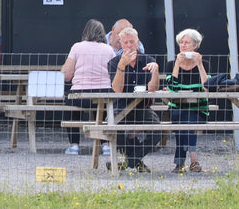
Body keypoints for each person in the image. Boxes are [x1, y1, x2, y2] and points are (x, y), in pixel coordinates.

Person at [107, 25, 161, 172]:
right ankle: (136, 161)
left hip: (142, 107)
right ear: (121, 44)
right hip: (121, 107)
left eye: (132, 42)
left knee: (158, 130)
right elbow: (117, 89)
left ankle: (130, 161)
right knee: (113, 129)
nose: (129, 45)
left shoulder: (148, 60)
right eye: (126, 43)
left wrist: (155, 72)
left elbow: (153, 89)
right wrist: (122, 66)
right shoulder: (114, 62)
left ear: (138, 42)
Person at [61, 18, 114, 155]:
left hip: (79, 94)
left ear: (86, 32)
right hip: (104, 93)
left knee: (71, 108)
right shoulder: (109, 50)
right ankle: (106, 145)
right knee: (102, 109)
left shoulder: (77, 47)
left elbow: (66, 75)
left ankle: (74, 145)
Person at [168, 28, 209, 173]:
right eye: (181, 42)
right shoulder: (172, 64)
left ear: (195, 46)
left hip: (198, 108)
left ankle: (180, 164)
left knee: (186, 122)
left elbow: (207, 88)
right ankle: (194, 160)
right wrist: (177, 65)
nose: (183, 45)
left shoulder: (204, 64)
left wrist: (199, 64)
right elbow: (172, 89)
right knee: (182, 119)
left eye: (187, 43)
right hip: (177, 107)